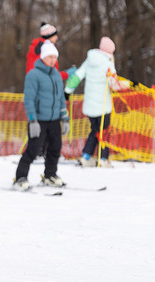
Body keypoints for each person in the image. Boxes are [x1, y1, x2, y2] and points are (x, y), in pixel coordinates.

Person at [13, 42, 70, 191]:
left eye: (55, 57)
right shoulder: (33, 75)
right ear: (43, 57)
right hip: (39, 120)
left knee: (55, 149)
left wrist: (64, 118)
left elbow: (61, 99)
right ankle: (20, 177)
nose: (53, 60)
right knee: (33, 150)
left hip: (54, 120)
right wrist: (32, 120)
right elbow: (29, 99)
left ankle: (50, 175)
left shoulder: (57, 75)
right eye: (50, 57)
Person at [64, 37, 121, 168]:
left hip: (90, 106)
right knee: (104, 132)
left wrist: (67, 90)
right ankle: (103, 158)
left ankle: (86, 156)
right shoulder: (108, 64)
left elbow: (78, 75)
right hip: (103, 106)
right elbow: (115, 84)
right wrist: (126, 85)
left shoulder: (89, 61)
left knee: (94, 130)